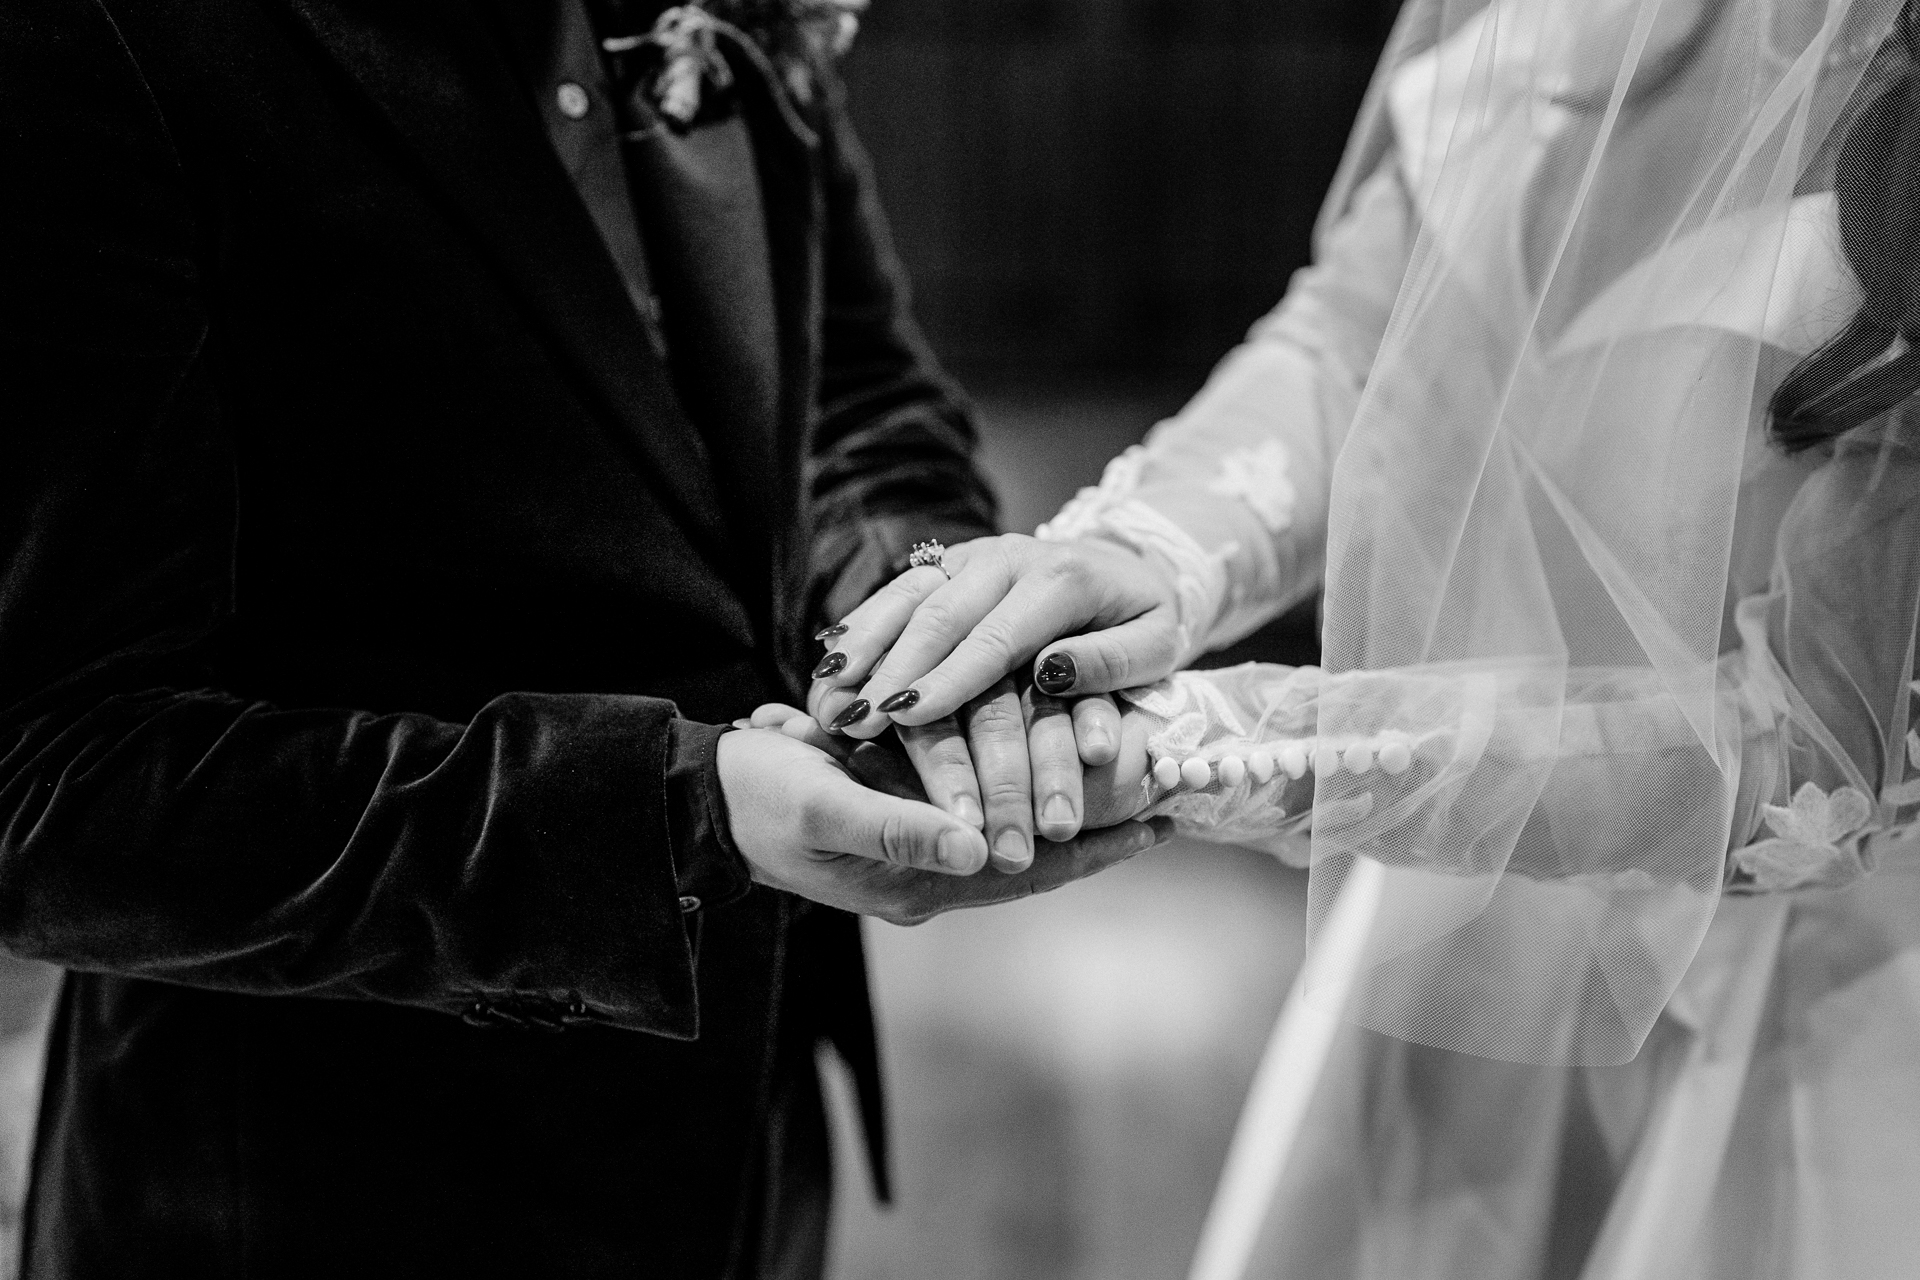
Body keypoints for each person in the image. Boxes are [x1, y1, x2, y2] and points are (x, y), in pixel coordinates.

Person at [0, 0, 1164, 1275]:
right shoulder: (103, 33)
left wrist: (917, 620)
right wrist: (669, 815)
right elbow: (55, 778)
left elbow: (854, 396)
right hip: (329, 1186)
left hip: (746, 1136)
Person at [810, 0, 1920, 1273]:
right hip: (1467, 924)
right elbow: (1362, 334)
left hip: (1798, 1019)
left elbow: (1822, 743)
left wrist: (1222, 743)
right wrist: (1135, 555)